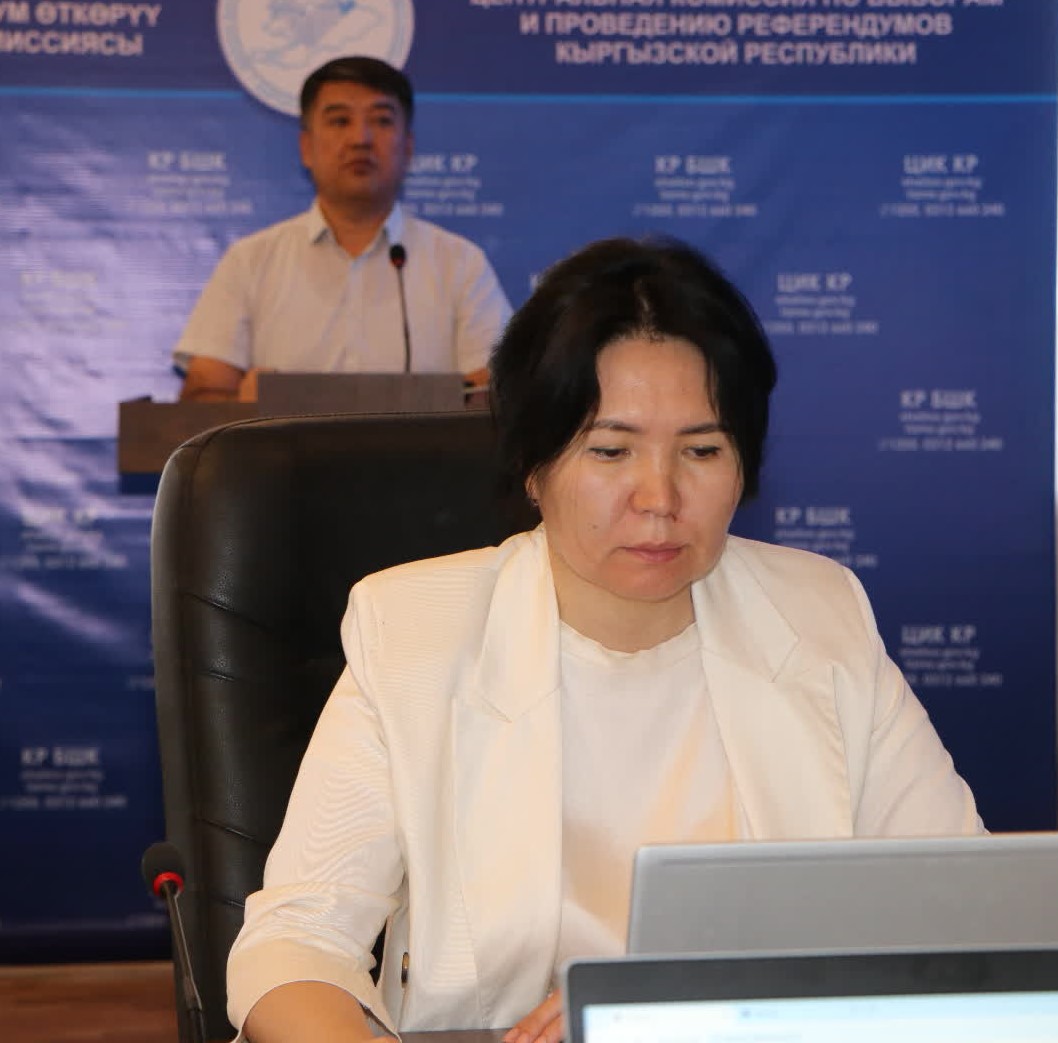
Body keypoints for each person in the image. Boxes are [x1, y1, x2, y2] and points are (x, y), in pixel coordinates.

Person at [226, 237, 983, 1043]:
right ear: (533, 464)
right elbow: (295, 941)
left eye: (701, 449)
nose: (658, 496)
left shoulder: (818, 614)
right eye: (611, 449)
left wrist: (690, 1005)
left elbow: (963, 907)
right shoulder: (415, 631)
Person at [173, 56, 511, 403]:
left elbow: (498, 396)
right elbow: (201, 398)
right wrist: (244, 405)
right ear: (306, 148)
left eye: (381, 120)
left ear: (408, 148)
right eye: (340, 121)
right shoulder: (251, 260)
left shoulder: (460, 263)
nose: (360, 138)